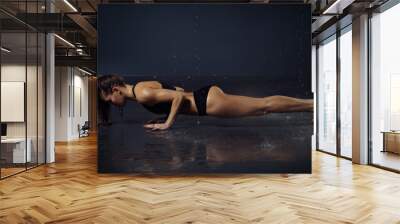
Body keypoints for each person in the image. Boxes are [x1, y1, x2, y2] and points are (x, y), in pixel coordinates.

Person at [98, 74, 313, 131]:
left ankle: (312, 104)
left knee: (263, 105)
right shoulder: (142, 86)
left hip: (207, 103)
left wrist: (167, 124)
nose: (110, 102)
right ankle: (310, 104)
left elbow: (179, 97)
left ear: (115, 89)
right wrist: (165, 114)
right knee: (261, 108)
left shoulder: (143, 94)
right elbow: (178, 90)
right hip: (205, 97)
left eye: (107, 98)